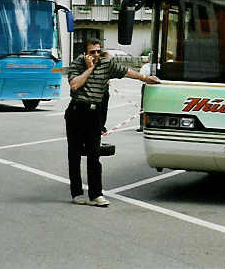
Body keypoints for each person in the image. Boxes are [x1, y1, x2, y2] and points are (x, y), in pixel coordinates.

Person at [65, 38, 159, 206]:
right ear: (85, 53)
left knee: (94, 155)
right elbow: (74, 85)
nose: (96, 55)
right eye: (92, 52)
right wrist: (90, 69)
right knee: (75, 155)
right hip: (77, 112)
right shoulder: (77, 64)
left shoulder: (106, 63)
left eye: (98, 51)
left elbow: (126, 72)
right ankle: (77, 193)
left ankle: (96, 195)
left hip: (95, 114)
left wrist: (145, 78)